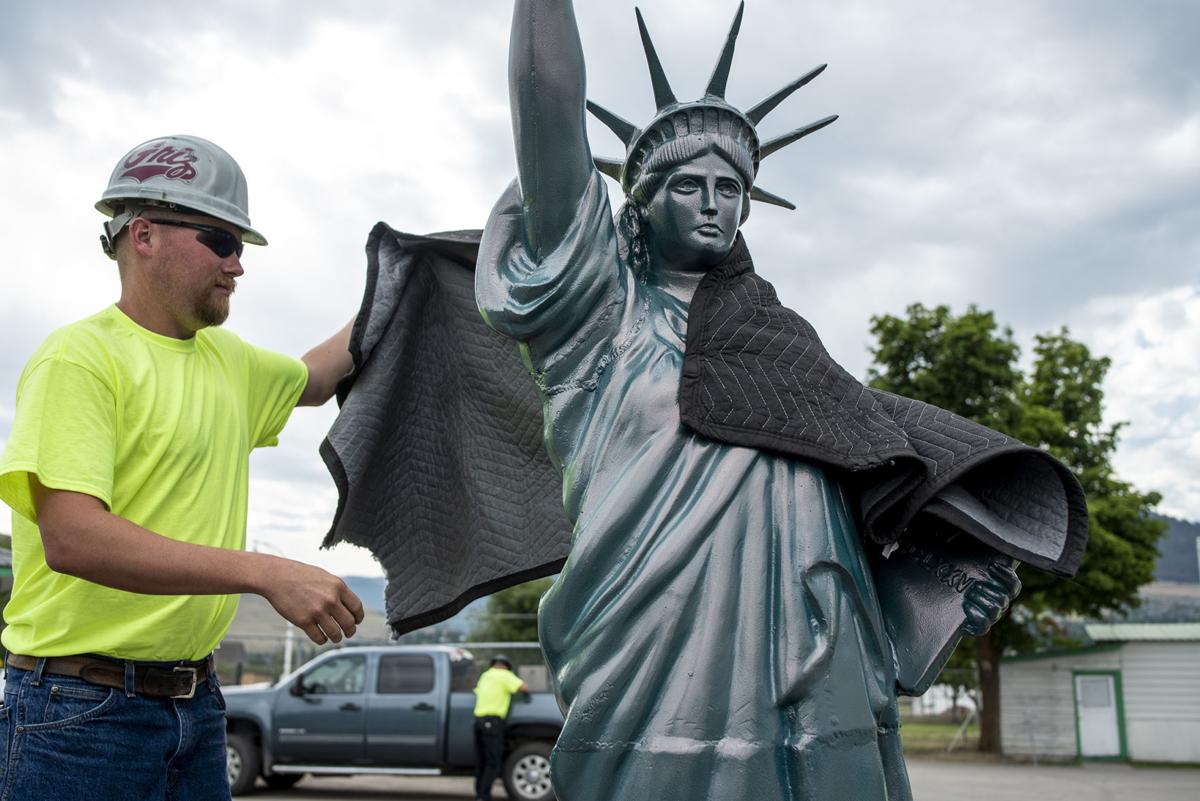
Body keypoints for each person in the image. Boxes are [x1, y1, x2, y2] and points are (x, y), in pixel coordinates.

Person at [472, 3, 1085, 800]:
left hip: (815, 646)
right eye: (687, 185)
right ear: (639, 202)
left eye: (731, 189)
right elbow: (545, 97)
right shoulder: (598, 314)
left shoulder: (783, 348)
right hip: (648, 636)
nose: (712, 203)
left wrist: (934, 585)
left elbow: (849, 491)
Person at [0, 134, 365, 800]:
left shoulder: (231, 362)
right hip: (78, 715)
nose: (238, 265)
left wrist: (403, 274)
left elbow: (315, 378)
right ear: (144, 235)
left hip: (196, 708)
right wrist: (266, 570)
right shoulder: (78, 360)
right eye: (222, 241)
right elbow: (72, 536)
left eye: (241, 247)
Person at [472, 654, 529, 801]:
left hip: (478, 722)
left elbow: (478, 691)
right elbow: (523, 687)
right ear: (506, 666)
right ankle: (483, 797)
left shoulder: (485, 675)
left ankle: (479, 794)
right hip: (493, 723)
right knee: (493, 762)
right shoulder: (505, 675)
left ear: (493, 664)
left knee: (482, 761)